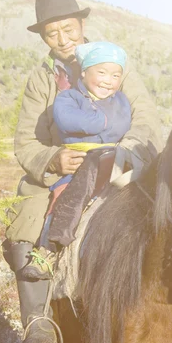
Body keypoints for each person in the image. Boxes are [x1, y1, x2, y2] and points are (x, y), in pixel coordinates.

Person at [3, 0, 163, 343]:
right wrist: (53, 159)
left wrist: (127, 153)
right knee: (25, 218)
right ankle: (38, 323)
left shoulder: (114, 62)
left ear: (82, 23)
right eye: (52, 33)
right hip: (66, 167)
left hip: (120, 162)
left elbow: (148, 119)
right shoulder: (42, 79)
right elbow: (26, 142)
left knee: (167, 206)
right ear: (43, 36)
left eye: (69, 29)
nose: (62, 39)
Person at [21, 40, 131, 280]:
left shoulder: (120, 100)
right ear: (84, 72)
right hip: (78, 163)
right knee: (63, 198)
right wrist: (102, 121)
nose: (108, 80)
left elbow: (124, 123)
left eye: (115, 75)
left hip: (115, 163)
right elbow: (67, 120)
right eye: (101, 72)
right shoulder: (68, 98)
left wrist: (100, 120)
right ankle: (48, 250)